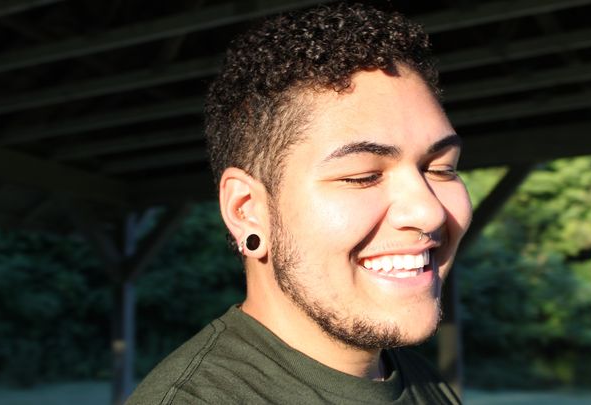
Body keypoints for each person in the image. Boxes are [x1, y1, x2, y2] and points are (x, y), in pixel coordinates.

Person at [127, 3, 472, 404]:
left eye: (441, 169)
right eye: (362, 176)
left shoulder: (422, 382)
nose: (428, 211)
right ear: (246, 210)